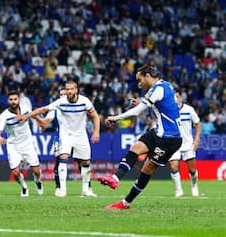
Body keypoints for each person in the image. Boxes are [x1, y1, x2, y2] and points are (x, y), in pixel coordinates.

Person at [98, 64, 182, 209]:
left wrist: (115, 118)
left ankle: (126, 203)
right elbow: (163, 107)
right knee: (136, 148)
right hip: (159, 131)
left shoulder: (158, 89)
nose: (139, 84)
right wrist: (142, 103)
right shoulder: (165, 85)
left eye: (140, 79)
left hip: (170, 137)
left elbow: (137, 112)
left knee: (147, 169)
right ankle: (115, 178)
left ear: (148, 76)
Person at [17, 80, 100, 198]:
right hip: (65, 135)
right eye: (68, 89)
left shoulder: (84, 101)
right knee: (63, 158)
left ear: (76, 90)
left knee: (85, 162)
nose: (69, 91)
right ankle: (62, 189)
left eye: (72, 89)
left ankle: (86, 190)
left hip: (81, 135)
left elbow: (95, 115)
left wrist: (96, 132)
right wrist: (26, 116)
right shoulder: (60, 102)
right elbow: (43, 110)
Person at [0, 91, 43, 197]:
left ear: (19, 100)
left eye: (15, 99)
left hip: (27, 143)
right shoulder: (4, 116)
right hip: (13, 145)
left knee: (36, 171)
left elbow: (32, 114)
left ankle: (38, 181)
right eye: (11, 100)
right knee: (15, 172)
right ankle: (24, 187)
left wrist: (40, 121)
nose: (13, 102)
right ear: (8, 101)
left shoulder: (25, 108)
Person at [169, 89, 201, 197]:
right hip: (174, 143)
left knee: (192, 170)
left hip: (188, 144)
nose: (175, 99)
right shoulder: (169, 110)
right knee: (173, 166)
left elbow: (197, 123)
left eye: (177, 96)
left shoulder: (189, 110)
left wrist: (197, 139)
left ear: (181, 98)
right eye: (173, 97)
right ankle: (179, 190)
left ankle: (194, 186)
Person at [37, 88, 67, 196]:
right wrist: (38, 119)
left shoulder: (77, 105)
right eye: (60, 94)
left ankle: (87, 188)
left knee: (81, 161)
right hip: (59, 139)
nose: (62, 96)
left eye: (64, 94)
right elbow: (46, 120)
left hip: (75, 137)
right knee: (58, 163)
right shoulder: (55, 108)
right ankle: (59, 187)